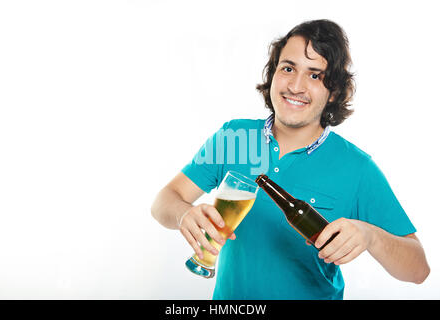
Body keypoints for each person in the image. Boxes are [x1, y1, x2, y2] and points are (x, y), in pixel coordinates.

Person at [151, 19, 430, 299]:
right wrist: (183, 214)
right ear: (273, 74)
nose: (296, 86)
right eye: (288, 68)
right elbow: (165, 200)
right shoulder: (234, 137)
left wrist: (371, 236)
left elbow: (419, 271)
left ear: (333, 91)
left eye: (315, 75)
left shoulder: (357, 168)